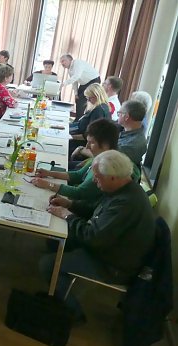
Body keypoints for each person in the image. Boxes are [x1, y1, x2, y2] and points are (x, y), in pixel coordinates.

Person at [40, 150, 155, 321]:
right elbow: (96, 211)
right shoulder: (123, 189)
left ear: (113, 178)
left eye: (97, 177)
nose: (94, 180)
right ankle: (57, 285)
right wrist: (69, 204)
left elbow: (92, 237)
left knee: (47, 264)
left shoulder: (126, 203)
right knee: (54, 240)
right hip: (109, 247)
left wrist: (67, 215)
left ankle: (72, 313)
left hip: (113, 264)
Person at [32, 119, 120, 203]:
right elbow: (78, 175)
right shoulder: (100, 156)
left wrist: (48, 185)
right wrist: (48, 173)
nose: (87, 147)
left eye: (91, 143)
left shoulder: (106, 166)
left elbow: (79, 193)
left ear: (105, 145)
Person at [73, 100, 148, 170]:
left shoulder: (135, 144)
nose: (118, 116)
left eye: (119, 113)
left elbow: (108, 157)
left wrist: (81, 150)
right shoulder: (122, 129)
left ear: (127, 117)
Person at [69, 83, 110, 152]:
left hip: (83, 143)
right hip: (78, 136)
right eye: (87, 98)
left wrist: (70, 136)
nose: (88, 100)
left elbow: (89, 135)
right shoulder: (101, 106)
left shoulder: (99, 111)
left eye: (89, 98)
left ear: (97, 96)